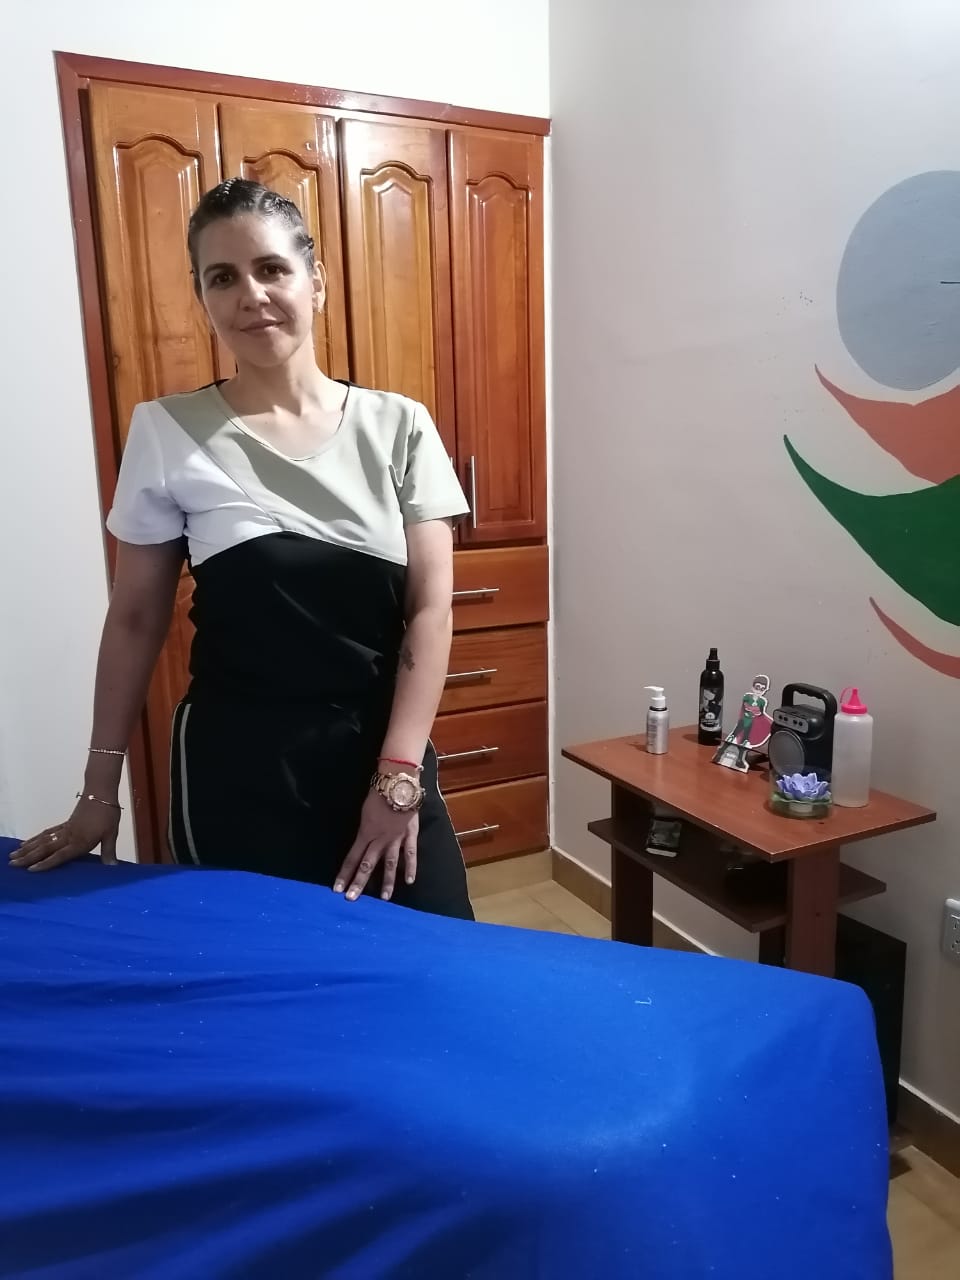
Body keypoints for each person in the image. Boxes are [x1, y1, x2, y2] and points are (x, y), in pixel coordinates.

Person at [11, 179, 474, 920]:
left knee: (434, 961)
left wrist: (397, 776)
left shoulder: (399, 425)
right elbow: (135, 618)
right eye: (222, 278)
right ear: (203, 299)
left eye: (271, 269)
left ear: (315, 281)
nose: (251, 295)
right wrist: (99, 792)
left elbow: (430, 609)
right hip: (237, 774)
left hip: (383, 759)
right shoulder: (167, 431)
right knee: (261, 974)